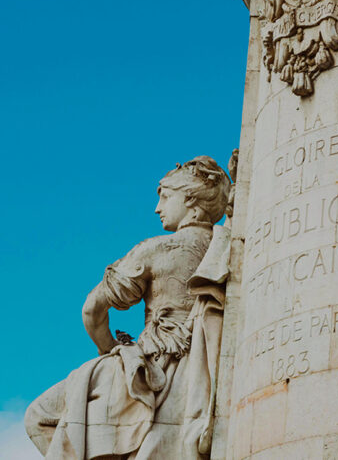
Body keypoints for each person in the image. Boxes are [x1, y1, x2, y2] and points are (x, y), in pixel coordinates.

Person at [25, 157, 232, 460]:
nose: (157, 208)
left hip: (151, 369)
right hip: (207, 372)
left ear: (190, 199)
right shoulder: (230, 248)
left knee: (39, 416)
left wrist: (110, 349)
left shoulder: (156, 249)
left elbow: (92, 310)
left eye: (165, 196)